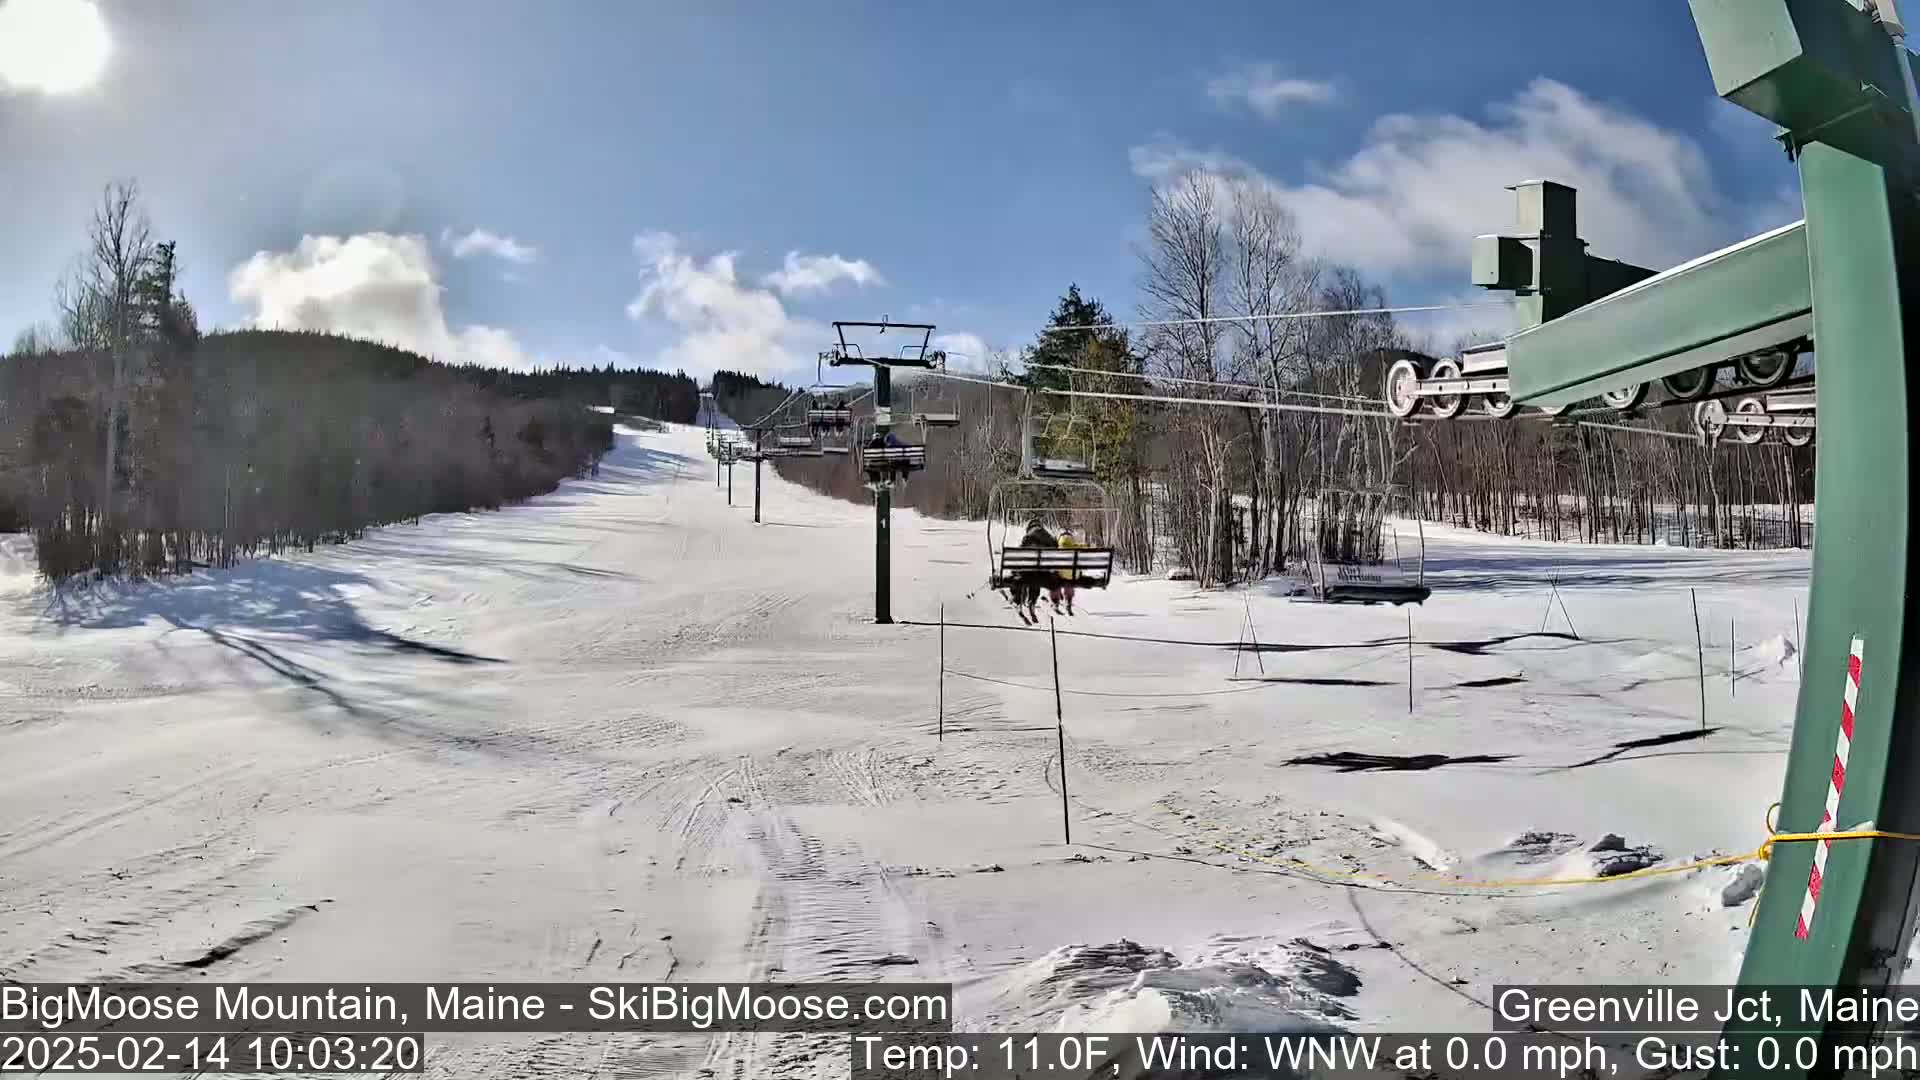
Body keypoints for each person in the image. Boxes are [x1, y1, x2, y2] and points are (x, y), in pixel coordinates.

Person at [1014, 518, 1056, 621]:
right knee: (1037, 575)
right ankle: (1032, 601)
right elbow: (1055, 548)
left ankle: (1018, 600)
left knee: (1021, 571)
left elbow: (1020, 554)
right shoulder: (1049, 537)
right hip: (1044, 573)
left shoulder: (1028, 537)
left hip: (1028, 572)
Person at [1054, 528, 1085, 615]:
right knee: (1069, 579)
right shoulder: (1076, 546)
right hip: (1073, 575)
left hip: (1060, 575)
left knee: (1056, 576)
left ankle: (1055, 602)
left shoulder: (1057, 548)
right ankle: (1068, 602)